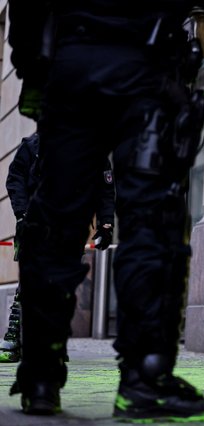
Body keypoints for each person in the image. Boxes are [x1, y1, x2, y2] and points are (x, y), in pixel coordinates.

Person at [7, 0, 204, 421]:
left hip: (74, 66)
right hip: (147, 66)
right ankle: (145, 379)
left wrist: (32, 71)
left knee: (55, 217)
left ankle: (40, 376)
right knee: (152, 222)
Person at [0, 132, 115, 363]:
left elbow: (104, 188)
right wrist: (22, 215)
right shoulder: (32, 145)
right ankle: (14, 338)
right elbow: (15, 179)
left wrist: (105, 224)